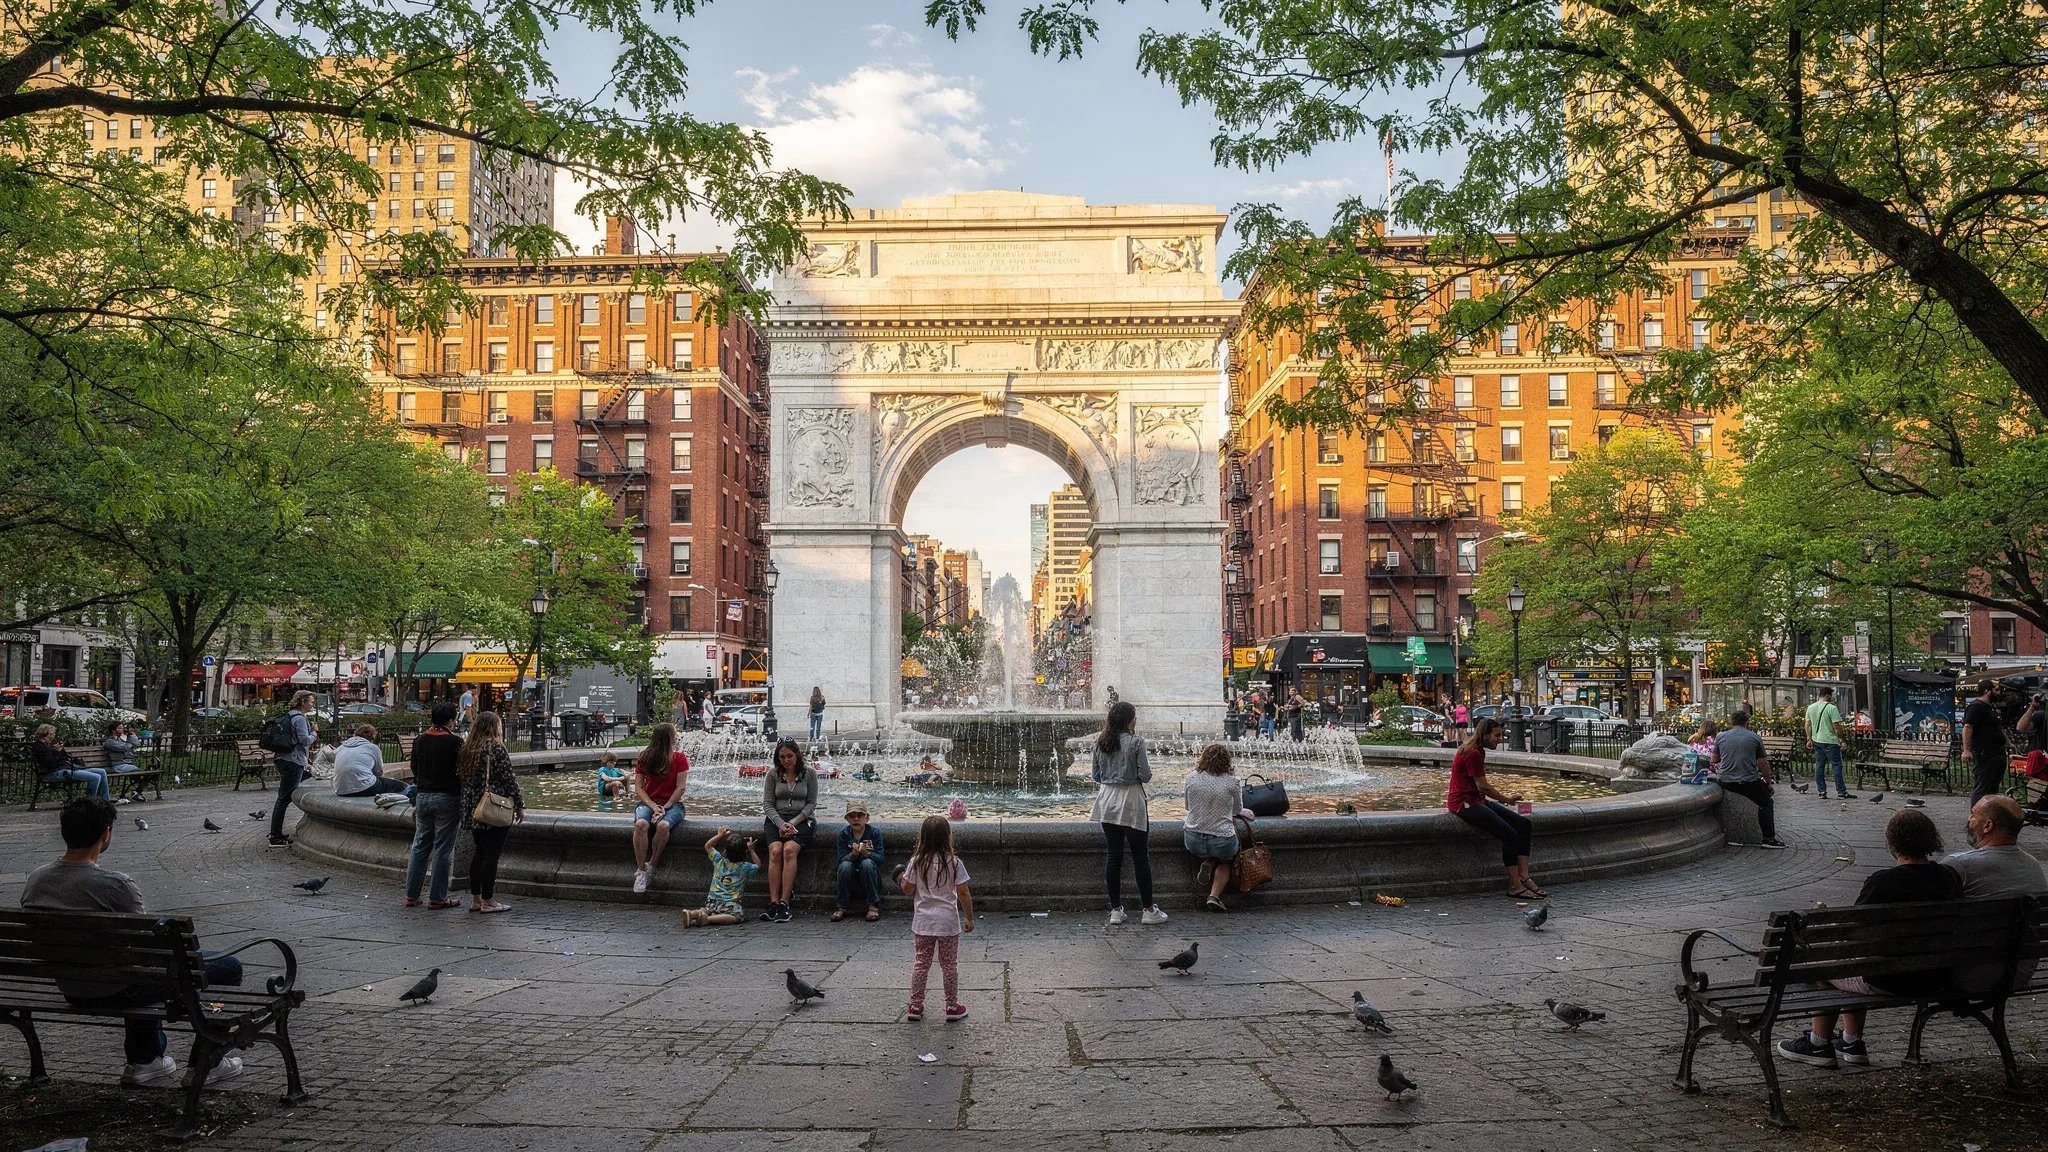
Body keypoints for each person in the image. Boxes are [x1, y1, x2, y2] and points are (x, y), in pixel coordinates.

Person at [20, 797, 244, 1087]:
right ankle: (208, 1061)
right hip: (118, 987)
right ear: (106, 834)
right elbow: (150, 947)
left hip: (71, 986)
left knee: (138, 969)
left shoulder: (36, 879)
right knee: (227, 966)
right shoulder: (116, 884)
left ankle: (145, 1060)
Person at [1777, 808, 1963, 1068]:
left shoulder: (1883, 882)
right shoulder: (1950, 877)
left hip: (1891, 979)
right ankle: (1851, 1042)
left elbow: (1853, 934)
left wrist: (1823, 921)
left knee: (1823, 959)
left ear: (1891, 841)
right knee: (1854, 959)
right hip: (1936, 976)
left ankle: (1818, 1044)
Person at [1944, 796, 2048, 995]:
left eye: (1973, 814)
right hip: (2018, 973)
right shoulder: (2033, 865)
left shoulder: (1958, 866)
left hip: (1966, 975)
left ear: (1987, 826)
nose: (1968, 819)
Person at [1448, 718, 1546, 898]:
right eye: (1497, 735)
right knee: (1509, 835)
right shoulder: (1473, 753)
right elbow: (1482, 786)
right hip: (1463, 803)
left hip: (1477, 800)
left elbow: (1481, 789)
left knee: (1524, 824)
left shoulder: (1477, 750)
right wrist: (1507, 799)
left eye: (1501, 735)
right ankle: (1515, 885)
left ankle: (1524, 876)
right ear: (1485, 735)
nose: (1500, 739)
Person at [1092, 700, 1167, 926]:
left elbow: (1096, 775)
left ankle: (1116, 910)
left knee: (1113, 856)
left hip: (1106, 800)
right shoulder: (1136, 742)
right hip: (1131, 801)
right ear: (1128, 720)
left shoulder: (1101, 741)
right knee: (1140, 857)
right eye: (1134, 717)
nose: (1136, 720)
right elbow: (1145, 776)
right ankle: (1148, 910)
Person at [900, 814, 975, 1022]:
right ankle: (952, 1006)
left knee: (921, 964)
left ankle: (915, 1006)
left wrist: (901, 879)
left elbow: (907, 889)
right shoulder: (954, 863)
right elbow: (964, 893)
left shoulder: (916, 862)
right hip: (947, 923)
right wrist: (969, 917)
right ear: (947, 837)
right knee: (949, 965)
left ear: (922, 838)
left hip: (923, 922)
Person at [456, 711, 523, 914]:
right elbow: (508, 778)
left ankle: (476, 899)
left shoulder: (468, 748)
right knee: (492, 855)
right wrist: (519, 804)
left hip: (474, 808)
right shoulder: (495, 747)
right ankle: (489, 901)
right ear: (494, 726)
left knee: (479, 852)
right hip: (493, 807)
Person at [404, 702, 465, 909]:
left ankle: (411, 895)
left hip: (423, 796)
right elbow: (462, 771)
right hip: (447, 798)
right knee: (442, 849)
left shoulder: (420, 740)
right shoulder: (455, 742)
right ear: (450, 721)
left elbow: (415, 767)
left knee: (420, 846)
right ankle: (437, 897)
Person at [1183, 743, 1252, 912]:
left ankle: (1207, 860)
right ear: (1226, 761)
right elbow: (1236, 810)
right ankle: (1214, 896)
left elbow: (1187, 806)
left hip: (1193, 840)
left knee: (1210, 850)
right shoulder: (1232, 782)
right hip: (1222, 841)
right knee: (1227, 861)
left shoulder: (1191, 777)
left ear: (1203, 759)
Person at [761, 738, 818, 923]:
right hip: (776, 819)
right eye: (782, 757)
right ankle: (773, 902)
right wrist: (780, 824)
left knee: (789, 850)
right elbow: (768, 805)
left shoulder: (809, 774)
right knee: (775, 850)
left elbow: (811, 804)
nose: (786, 760)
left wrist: (793, 822)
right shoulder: (772, 774)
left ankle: (785, 902)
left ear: (797, 755)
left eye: (790, 756)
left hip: (801, 820)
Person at [1711, 711, 1785, 849]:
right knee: (1766, 802)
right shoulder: (1754, 737)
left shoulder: (1720, 736)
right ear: (1747, 723)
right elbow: (1764, 763)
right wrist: (1768, 783)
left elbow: (1714, 759)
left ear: (1731, 723)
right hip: (1748, 782)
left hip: (1725, 781)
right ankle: (1768, 838)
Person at [631, 723, 689, 894]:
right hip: (649, 803)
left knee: (663, 826)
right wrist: (654, 806)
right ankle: (640, 870)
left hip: (673, 804)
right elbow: (639, 787)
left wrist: (666, 806)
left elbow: (681, 788)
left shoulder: (679, 758)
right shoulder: (645, 757)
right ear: (670, 738)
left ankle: (652, 866)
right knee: (641, 824)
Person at [681, 827, 760, 927]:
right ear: (745, 852)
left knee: (707, 909)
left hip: (712, 900)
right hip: (729, 903)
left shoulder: (718, 860)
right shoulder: (745, 868)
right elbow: (758, 865)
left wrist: (720, 835)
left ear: (725, 850)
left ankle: (692, 914)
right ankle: (708, 919)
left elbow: (708, 846)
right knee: (736, 916)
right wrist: (752, 850)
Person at [268, 691, 318, 846]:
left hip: (284, 758)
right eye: (310, 701)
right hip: (292, 760)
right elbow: (304, 741)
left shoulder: (290, 715)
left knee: (309, 776)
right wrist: (314, 732)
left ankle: (276, 833)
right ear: (302, 702)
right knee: (283, 799)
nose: (312, 704)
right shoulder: (300, 719)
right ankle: (275, 836)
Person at [833, 798, 886, 922]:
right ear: (847, 819)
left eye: (859, 816)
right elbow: (840, 860)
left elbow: (880, 859)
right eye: (852, 816)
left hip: (870, 877)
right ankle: (842, 906)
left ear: (867, 818)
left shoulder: (874, 833)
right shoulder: (844, 835)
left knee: (867, 864)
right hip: (849, 878)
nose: (856, 819)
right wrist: (853, 855)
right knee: (845, 866)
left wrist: (866, 853)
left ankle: (873, 904)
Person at [29, 723, 111, 801]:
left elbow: (65, 758)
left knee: (101, 771)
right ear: (45, 735)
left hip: (65, 769)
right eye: (52, 734)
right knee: (95, 777)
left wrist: (60, 751)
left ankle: (106, 799)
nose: (53, 736)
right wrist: (57, 752)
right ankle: (90, 801)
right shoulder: (39, 747)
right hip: (53, 773)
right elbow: (51, 764)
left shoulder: (49, 745)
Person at [1961, 678, 2010, 807]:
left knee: (1992, 789)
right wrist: (1966, 750)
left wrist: (2007, 742)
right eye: (1996, 690)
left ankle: (1988, 816)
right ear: (1987, 691)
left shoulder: (1990, 707)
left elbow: (1997, 727)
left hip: (1997, 752)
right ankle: (1975, 818)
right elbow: (1967, 727)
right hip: (1985, 753)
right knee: (1982, 788)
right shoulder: (1976, 707)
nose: (1999, 692)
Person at [1802, 687, 1854, 799]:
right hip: (1831, 741)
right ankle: (1841, 791)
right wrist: (1841, 740)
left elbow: (1807, 724)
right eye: (1831, 695)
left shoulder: (1811, 707)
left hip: (1817, 741)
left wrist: (1809, 739)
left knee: (1819, 766)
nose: (1832, 697)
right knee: (1837, 765)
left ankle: (1822, 791)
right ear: (1827, 695)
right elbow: (1836, 726)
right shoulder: (1832, 708)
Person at [332, 724, 406, 797]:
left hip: (340, 790)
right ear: (373, 736)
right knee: (401, 786)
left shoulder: (342, 747)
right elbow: (379, 771)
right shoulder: (373, 748)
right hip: (364, 787)